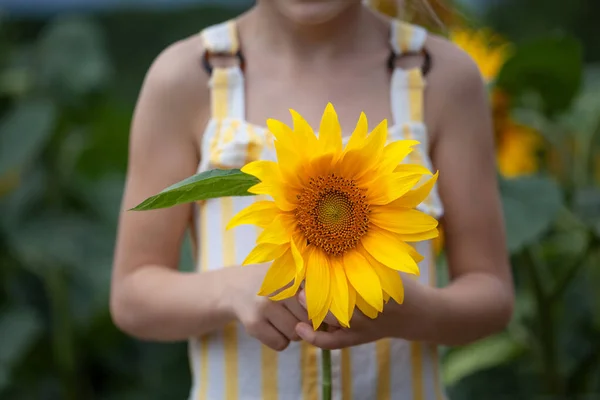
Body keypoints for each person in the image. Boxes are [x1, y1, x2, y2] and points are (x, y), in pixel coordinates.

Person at [110, 0, 514, 398]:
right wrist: (228, 290)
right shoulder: (187, 77)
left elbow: (491, 294)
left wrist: (413, 312)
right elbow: (132, 297)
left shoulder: (441, 77)